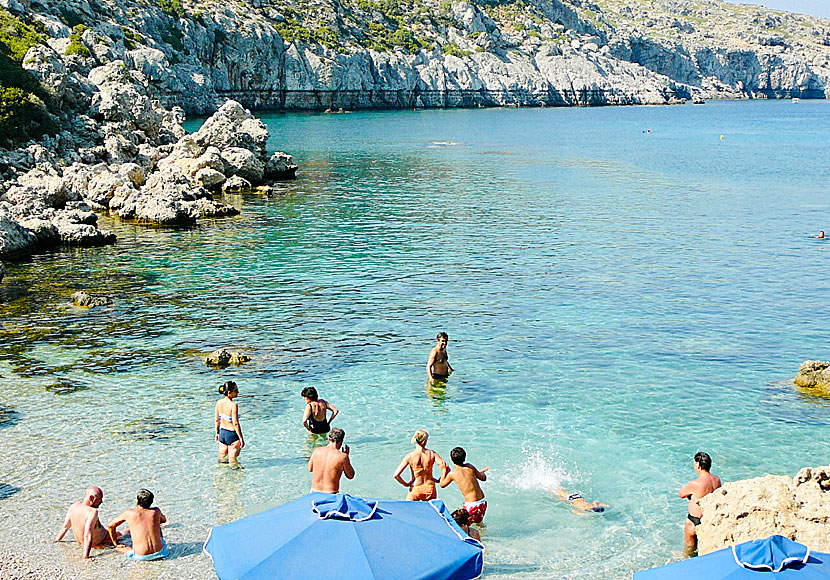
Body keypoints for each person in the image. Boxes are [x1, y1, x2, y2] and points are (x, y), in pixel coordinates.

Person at [47, 486, 116, 560]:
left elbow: (65, 526)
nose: (101, 501)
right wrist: (85, 557)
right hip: (102, 541)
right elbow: (87, 535)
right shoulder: (92, 512)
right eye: (100, 499)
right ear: (92, 498)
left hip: (81, 542)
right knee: (125, 533)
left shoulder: (74, 506)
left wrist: (56, 540)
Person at [678, 451, 721, 555]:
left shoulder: (695, 483)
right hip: (708, 519)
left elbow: (681, 494)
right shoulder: (717, 480)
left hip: (693, 520)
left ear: (698, 465)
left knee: (690, 550)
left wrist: (690, 495)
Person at [106, 489, 168, 561]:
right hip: (161, 552)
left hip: (141, 556)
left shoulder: (130, 513)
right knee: (157, 525)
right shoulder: (156, 511)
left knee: (122, 548)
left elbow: (110, 526)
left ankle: (117, 547)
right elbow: (164, 520)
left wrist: (116, 543)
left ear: (137, 502)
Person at [439, 447, 489, 524]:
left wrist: (443, 470)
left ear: (451, 459)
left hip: (471, 506)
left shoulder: (453, 474)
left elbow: (442, 484)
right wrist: (481, 472)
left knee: (463, 525)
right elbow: (483, 478)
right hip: (482, 502)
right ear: (464, 457)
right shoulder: (470, 466)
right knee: (479, 522)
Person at [393, 429, 447, 501]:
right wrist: (439, 480)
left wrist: (406, 484)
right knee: (430, 511)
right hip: (430, 488)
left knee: (408, 510)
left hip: (416, 487)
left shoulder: (410, 456)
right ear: (425, 441)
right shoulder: (432, 454)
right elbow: (446, 467)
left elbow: (396, 475)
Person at [308, 428, 354, 493]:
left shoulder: (317, 451)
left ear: (329, 439)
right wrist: (346, 458)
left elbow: (310, 469)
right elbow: (350, 475)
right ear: (341, 441)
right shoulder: (342, 457)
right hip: (331, 494)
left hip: (314, 492)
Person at [215, 380, 244, 468]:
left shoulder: (219, 402)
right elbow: (235, 423)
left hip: (222, 433)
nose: (238, 392)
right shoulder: (233, 405)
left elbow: (217, 420)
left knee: (222, 459)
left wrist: (217, 433)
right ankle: (235, 477)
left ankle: (221, 476)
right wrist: (241, 438)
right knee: (233, 461)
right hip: (232, 435)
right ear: (229, 392)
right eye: (236, 390)